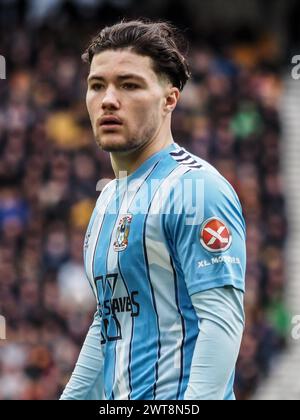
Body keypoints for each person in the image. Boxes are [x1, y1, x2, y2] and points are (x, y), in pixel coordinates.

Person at [60, 19, 246, 401]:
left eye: (129, 85)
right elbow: (108, 321)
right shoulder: (107, 200)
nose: (109, 99)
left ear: (169, 99)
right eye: (97, 86)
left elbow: (221, 323)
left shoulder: (197, 189)